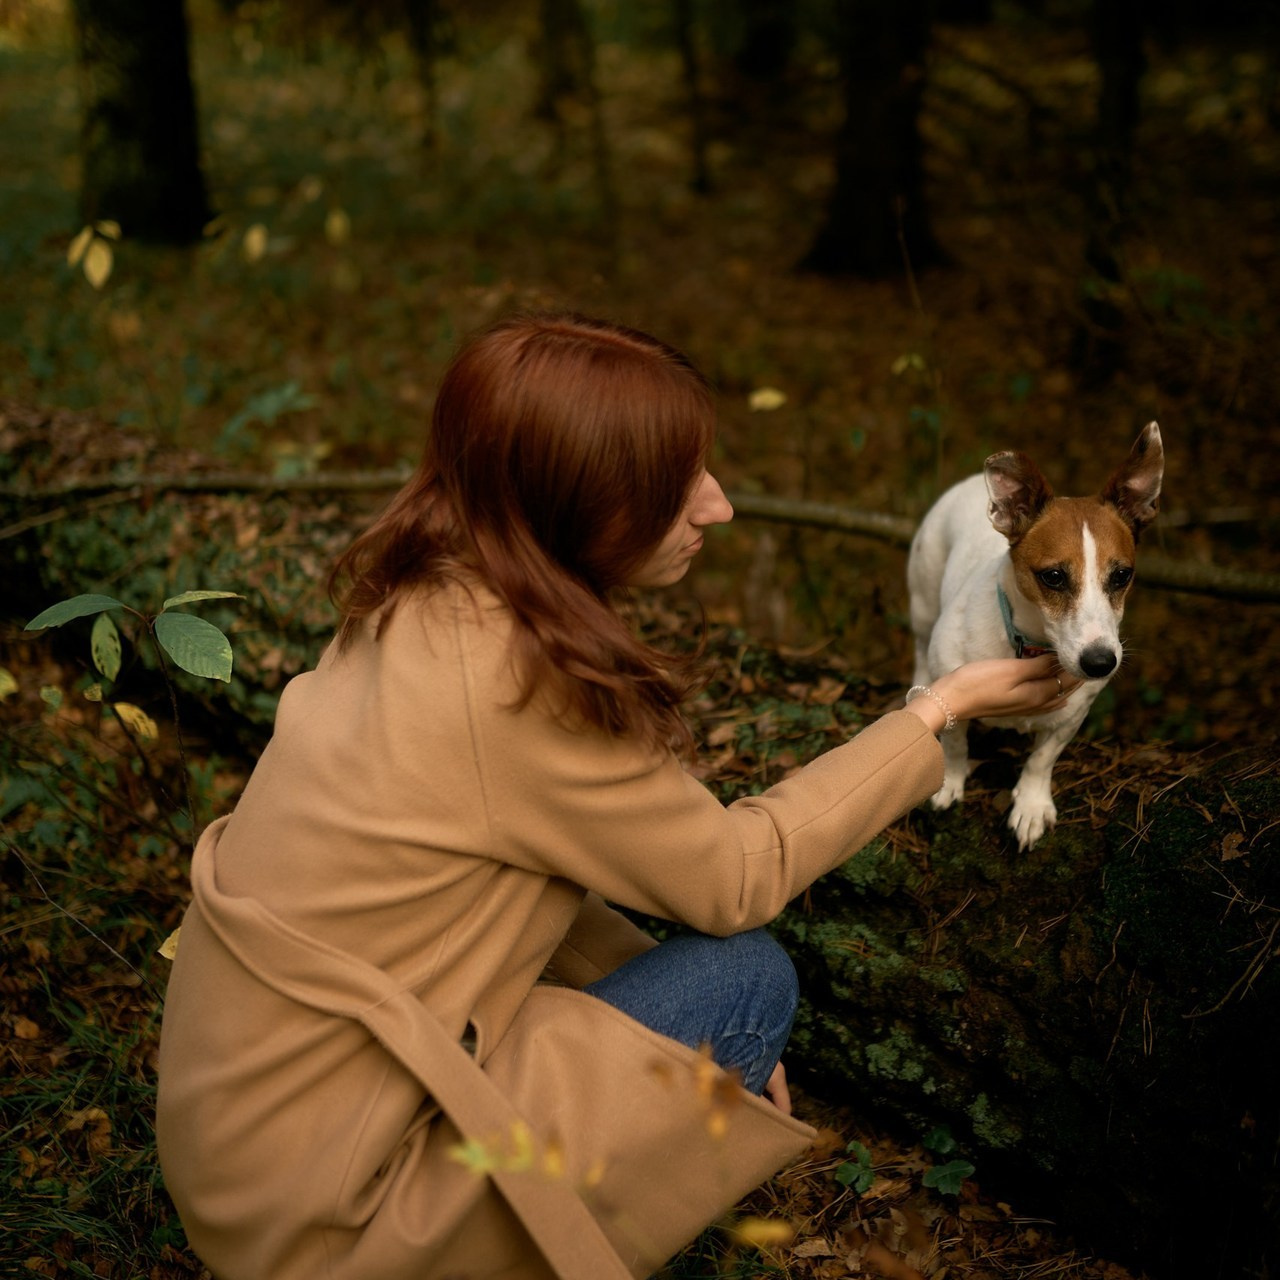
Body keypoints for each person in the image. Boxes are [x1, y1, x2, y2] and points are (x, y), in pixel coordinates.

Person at [156, 312, 1075, 1280]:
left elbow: (517, 871)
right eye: (676, 485)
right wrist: (935, 709)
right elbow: (738, 875)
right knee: (749, 975)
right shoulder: (522, 686)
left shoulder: (419, 593)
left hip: (240, 1147)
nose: (716, 507)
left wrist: (675, 1028)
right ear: (577, 501)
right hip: (330, 1210)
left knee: (705, 985)